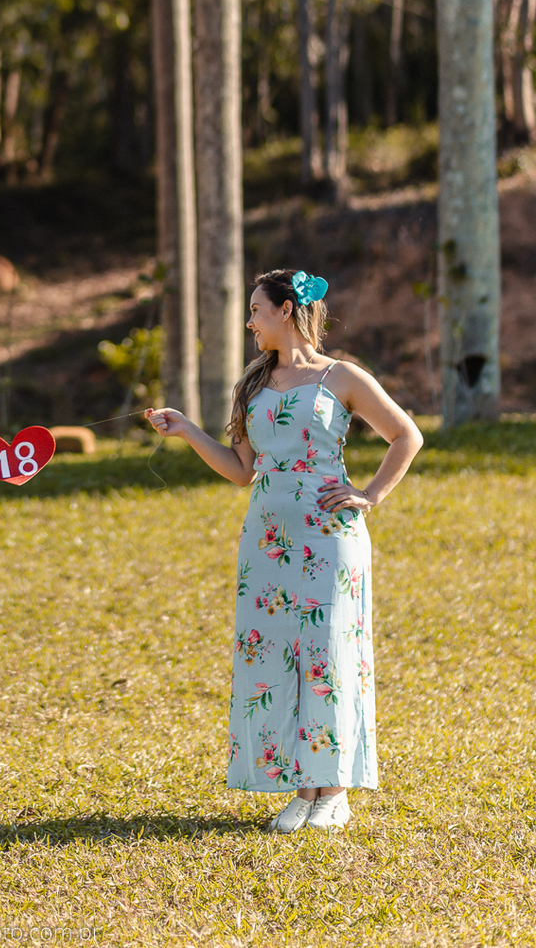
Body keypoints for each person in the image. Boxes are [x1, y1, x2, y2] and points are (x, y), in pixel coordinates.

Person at [145, 267, 422, 833]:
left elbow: (406, 435)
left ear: (285, 311)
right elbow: (242, 470)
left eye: (256, 309)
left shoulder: (341, 377)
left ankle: (335, 790)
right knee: (274, 656)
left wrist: (369, 494)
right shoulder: (251, 384)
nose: (250, 321)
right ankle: (301, 787)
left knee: (326, 653)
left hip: (331, 537)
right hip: (266, 539)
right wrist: (189, 432)